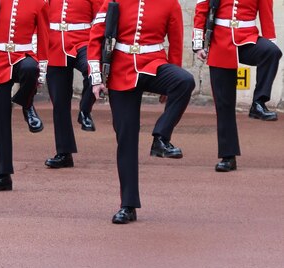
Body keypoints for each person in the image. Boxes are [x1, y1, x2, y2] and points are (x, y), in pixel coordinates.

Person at [88, 0, 195, 224]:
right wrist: (96, 77)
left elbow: (175, 44)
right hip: (120, 70)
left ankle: (161, 138)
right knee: (126, 138)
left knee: (184, 81)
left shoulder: (170, 4)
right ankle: (128, 205)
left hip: (153, 64)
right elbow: (97, 37)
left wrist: (170, 85)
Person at [192, 0, 281, 172]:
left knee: (272, 52)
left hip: (247, 37)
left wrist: (270, 41)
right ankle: (228, 157)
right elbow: (202, 8)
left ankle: (258, 103)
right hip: (220, 41)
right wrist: (198, 44)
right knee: (224, 103)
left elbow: (266, 14)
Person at [0, 0, 49, 192]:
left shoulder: (38, 4)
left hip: (22, 56)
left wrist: (42, 69)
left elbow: (43, 36)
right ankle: (3, 175)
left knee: (30, 69)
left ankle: (26, 104)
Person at [44, 0, 102, 169]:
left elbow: (101, 17)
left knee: (93, 72)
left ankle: (84, 111)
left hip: (83, 41)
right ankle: (64, 153)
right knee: (59, 102)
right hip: (54, 44)